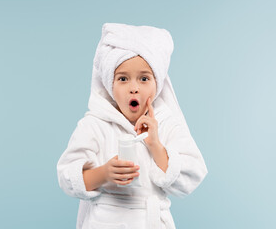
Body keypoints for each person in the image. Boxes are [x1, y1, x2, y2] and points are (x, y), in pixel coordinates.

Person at [57, 22, 208, 229]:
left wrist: (155, 145)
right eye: (123, 78)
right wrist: (103, 174)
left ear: (158, 84)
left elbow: (191, 177)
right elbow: (67, 177)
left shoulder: (166, 124)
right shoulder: (94, 125)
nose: (134, 88)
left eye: (144, 78)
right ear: (110, 84)